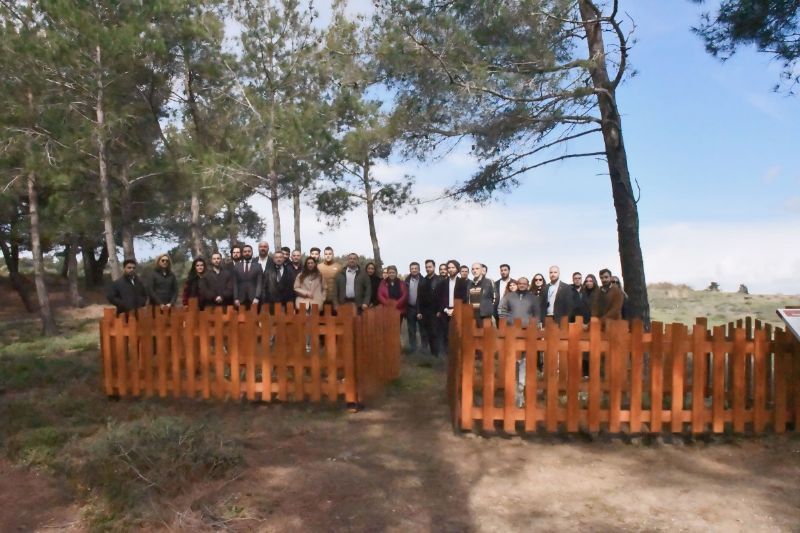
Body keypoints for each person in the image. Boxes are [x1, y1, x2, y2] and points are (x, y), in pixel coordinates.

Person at [434, 260, 468, 355]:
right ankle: (445, 355)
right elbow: (438, 298)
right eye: (449, 267)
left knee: (457, 334)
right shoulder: (442, 283)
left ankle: (457, 354)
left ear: (457, 269)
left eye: (453, 267)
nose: (451, 269)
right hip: (445, 311)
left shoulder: (463, 283)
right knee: (445, 334)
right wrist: (445, 309)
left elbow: (464, 298)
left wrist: (455, 309)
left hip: (458, 311)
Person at [418, 259, 439, 355]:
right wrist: (418, 311)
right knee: (425, 334)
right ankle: (426, 354)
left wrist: (440, 310)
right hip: (424, 312)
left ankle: (436, 354)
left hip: (436, 312)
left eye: (430, 267)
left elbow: (442, 297)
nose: (428, 269)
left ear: (434, 267)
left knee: (435, 333)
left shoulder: (439, 280)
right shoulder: (423, 280)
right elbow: (419, 297)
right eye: (426, 267)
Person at [404, 261, 425, 352]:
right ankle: (413, 349)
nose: (414, 270)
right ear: (410, 270)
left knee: (423, 330)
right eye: (412, 269)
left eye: (416, 268)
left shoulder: (424, 281)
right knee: (411, 330)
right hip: (410, 308)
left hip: (421, 309)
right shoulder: (406, 281)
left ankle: (424, 349)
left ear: (419, 270)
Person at [233, 244, 262, 309]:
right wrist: (235, 298)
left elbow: (259, 283)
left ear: (252, 253)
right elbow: (235, 283)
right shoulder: (237, 266)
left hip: (254, 299)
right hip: (240, 299)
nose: (247, 253)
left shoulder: (258, 266)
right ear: (242, 253)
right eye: (245, 251)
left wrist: (257, 297)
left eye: (249, 251)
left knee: (254, 315)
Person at [468, 262, 495, 327]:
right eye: (473, 269)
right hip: (473, 315)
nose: (475, 271)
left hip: (484, 315)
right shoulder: (469, 283)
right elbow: (468, 298)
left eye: (477, 268)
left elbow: (494, 297)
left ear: (481, 270)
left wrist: (487, 309)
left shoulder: (489, 282)